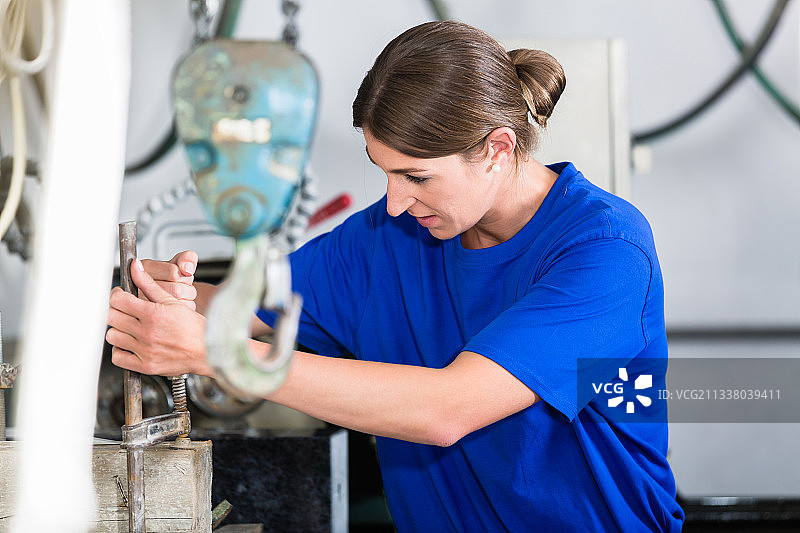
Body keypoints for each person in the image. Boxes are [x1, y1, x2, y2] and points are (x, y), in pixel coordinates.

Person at [107, 20, 684, 532]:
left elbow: (448, 409)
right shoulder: (388, 238)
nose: (395, 202)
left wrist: (217, 353)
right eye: (384, 172)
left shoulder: (603, 250)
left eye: (417, 176)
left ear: (497, 150)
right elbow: (246, 307)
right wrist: (165, 295)